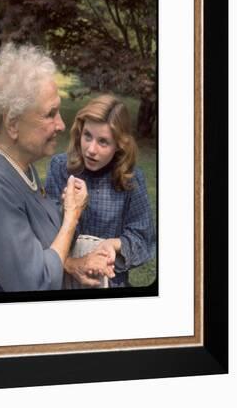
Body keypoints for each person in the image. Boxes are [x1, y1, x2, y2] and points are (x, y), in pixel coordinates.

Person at [0, 44, 113, 293]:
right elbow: (35, 283)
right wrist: (72, 216)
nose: (62, 125)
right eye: (50, 114)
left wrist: (70, 263)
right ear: (12, 123)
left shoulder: (19, 163)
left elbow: (30, 242)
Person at [45, 94, 156, 288]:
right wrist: (67, 210)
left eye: (103, 142)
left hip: (109, 282)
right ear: (80, 131)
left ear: (119, 145)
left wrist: (114, 244)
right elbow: (44, 233)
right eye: (87, 136)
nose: (91, 149)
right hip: (64, 278)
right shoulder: (61, 168)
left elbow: (143, 239)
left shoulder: (130, 179)